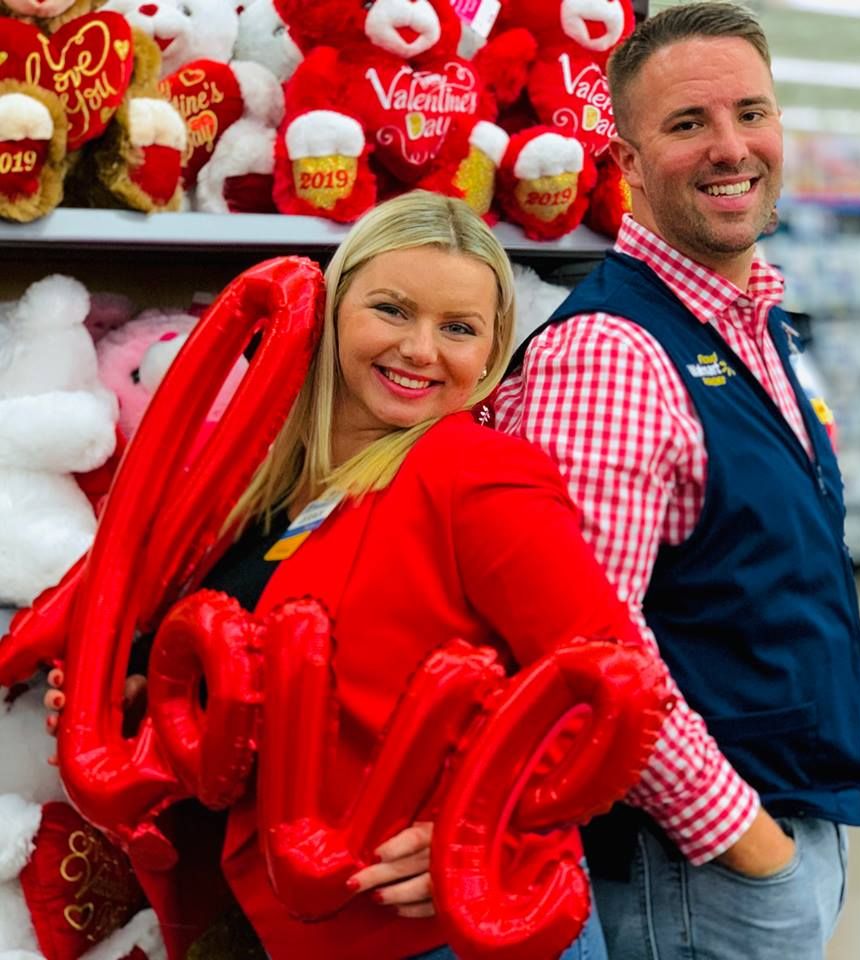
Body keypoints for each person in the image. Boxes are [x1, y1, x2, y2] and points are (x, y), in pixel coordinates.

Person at [46, 189, 673, 960]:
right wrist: (152, 708)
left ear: (491, 350)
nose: (419, 349)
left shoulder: (476, 473)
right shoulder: (271, 486)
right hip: (299, 915)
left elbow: (613, 687)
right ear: (336, 307)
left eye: (459, 328)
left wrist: (485, 824)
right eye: (392, 309)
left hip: (445, 930)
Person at [495, 4, 860, 959]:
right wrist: (746, 842)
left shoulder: (753, 319)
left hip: (776, 825)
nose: (732, 148)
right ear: (628, 161)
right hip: (691, 865)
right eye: (688, 124)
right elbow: (585, 654)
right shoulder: (613, 352)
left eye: (751, 114)